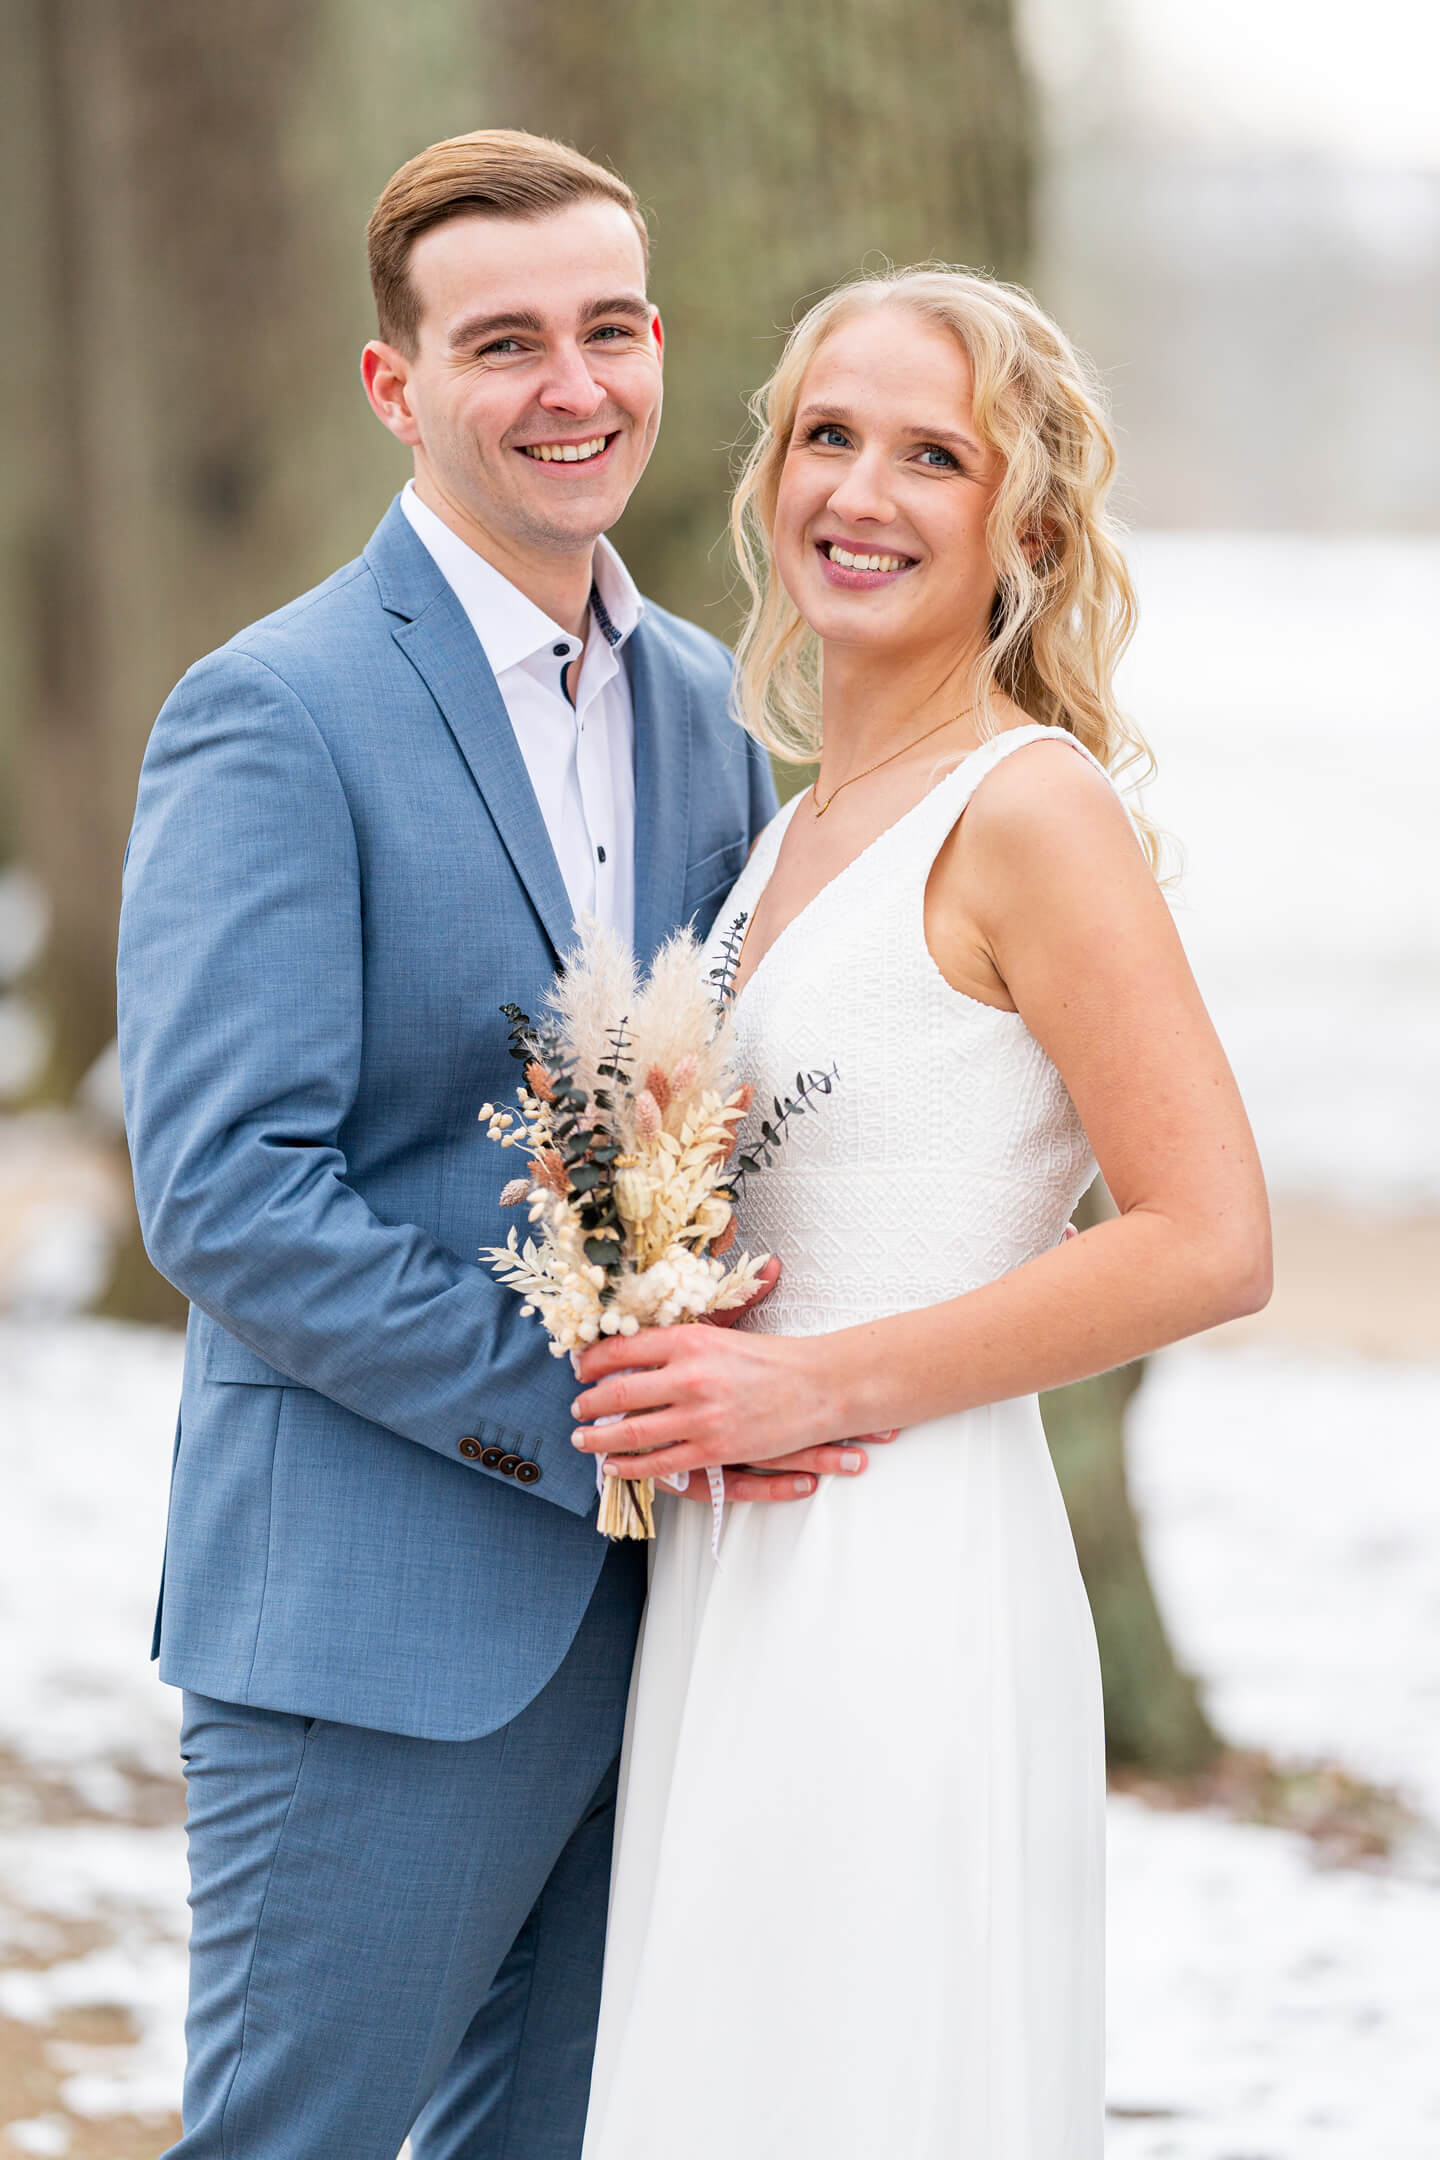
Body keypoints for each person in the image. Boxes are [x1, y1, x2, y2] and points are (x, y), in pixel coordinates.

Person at [117, 130, 867, 2160]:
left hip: (675, 1635)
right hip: (380, 1620)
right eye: (504, 341)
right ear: (397, 384)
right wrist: (601, 1416)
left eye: (610, 329)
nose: (573, 386)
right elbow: (227, 1194)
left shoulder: (714, 704)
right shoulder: (271, 712)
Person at [573, 267, 1273, 2159]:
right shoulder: (790, 829)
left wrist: (811, 1391)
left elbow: (1212, 1236)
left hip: (907, 1573)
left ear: (1022, 524)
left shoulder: (1031, 812)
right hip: (731, 1582)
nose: (860, 494)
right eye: (828, 436)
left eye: (931, 456)